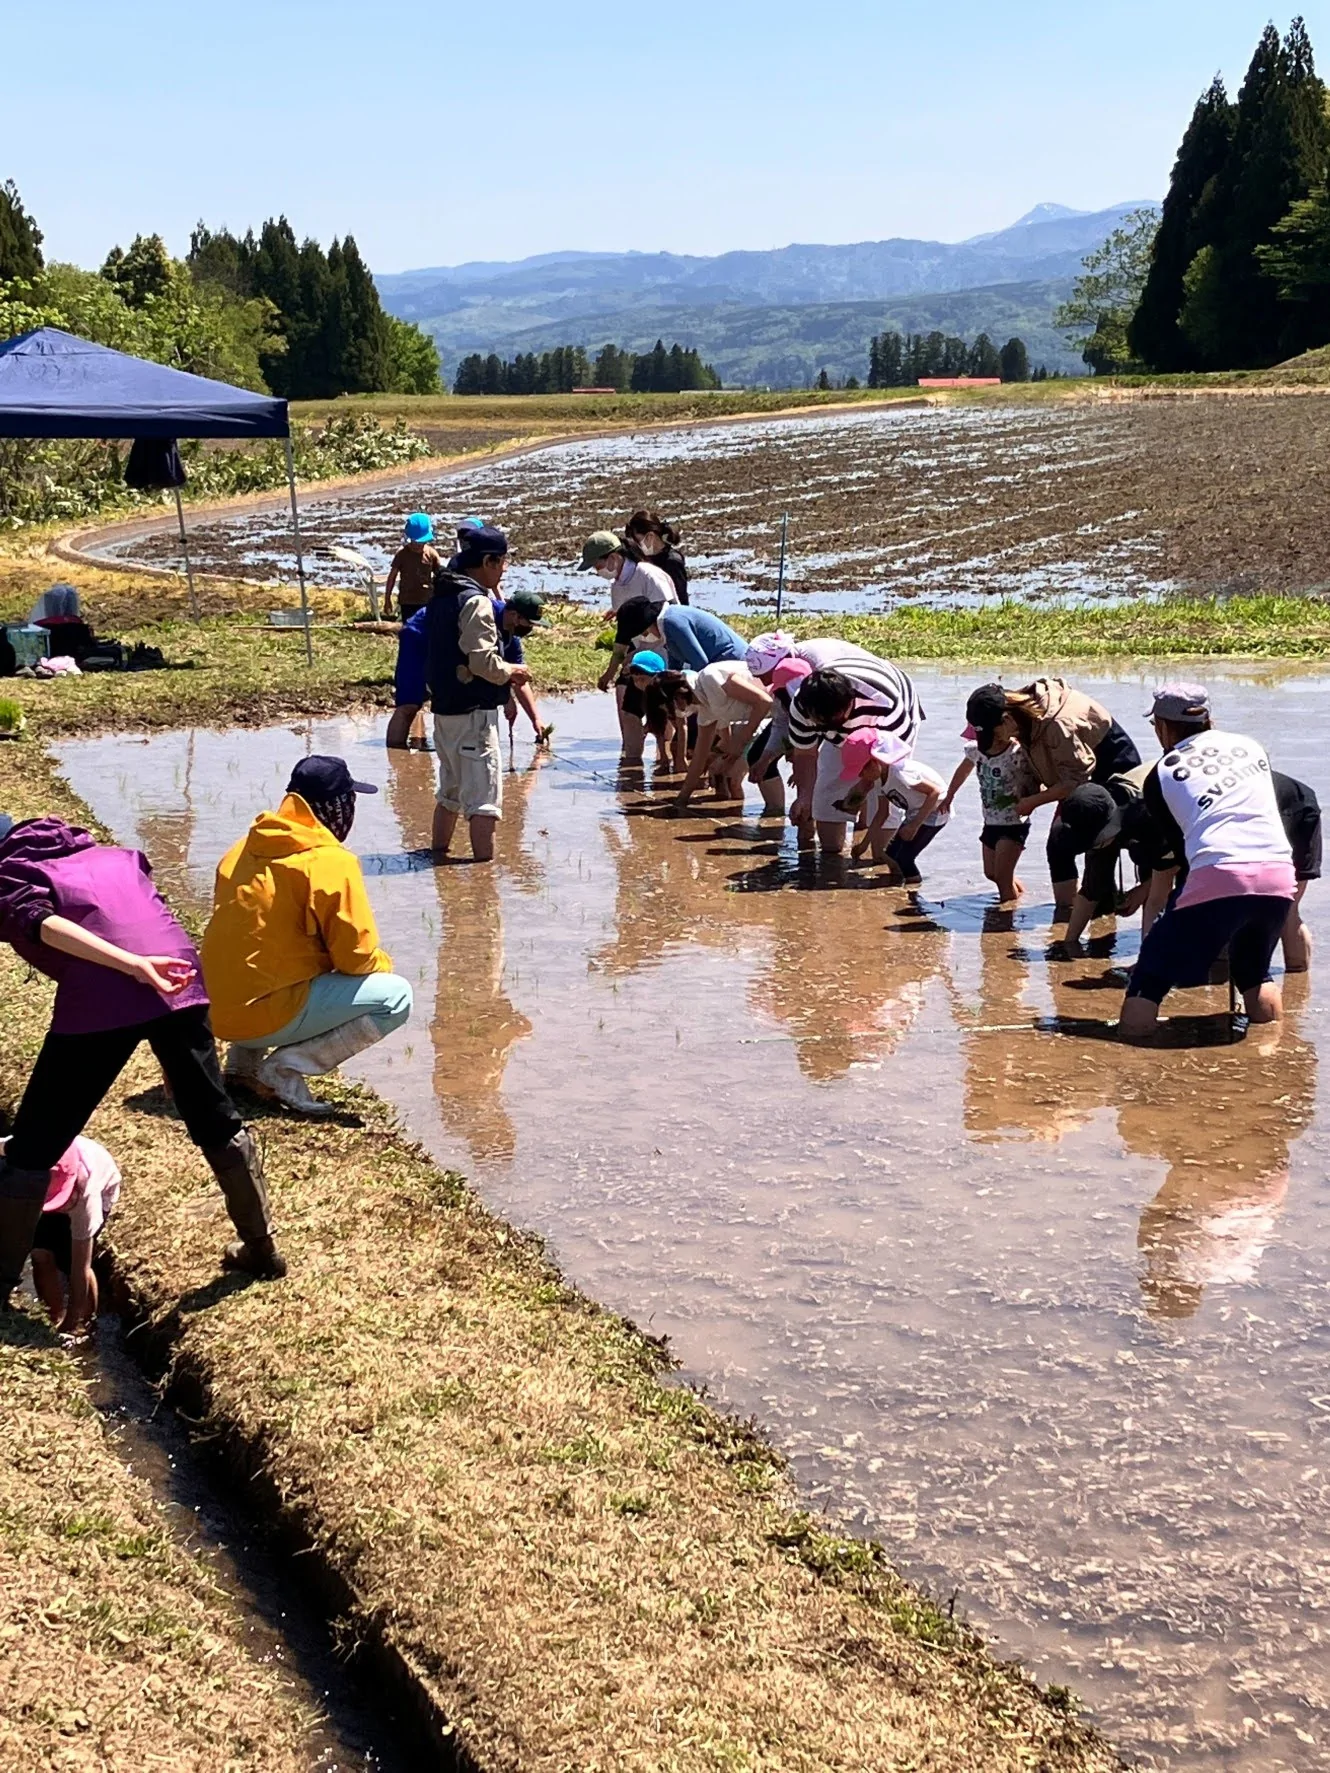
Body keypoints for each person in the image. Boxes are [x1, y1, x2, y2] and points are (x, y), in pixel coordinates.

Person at [0, 814, 284, 1300]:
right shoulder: (116, 856)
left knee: (32, 1147)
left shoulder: (11, 872)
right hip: (179, 978)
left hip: (112, 988)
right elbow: (157, 924)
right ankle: (262, 1248)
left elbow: (45, 925)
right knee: (215, 1119)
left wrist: (132, 967)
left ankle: (1, 1280)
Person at [202, 757, 414, 1116]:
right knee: (395, 997)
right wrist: (384, 964)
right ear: (339, 806)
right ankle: (284, 1069)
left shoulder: (241, 849)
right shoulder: (330, 861)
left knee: (264, 958)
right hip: (264, 1015)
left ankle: (242, 1067)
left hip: (214, 1012)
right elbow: (355, 958)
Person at [1118, 684, 1296, 1041]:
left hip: (1219, 870)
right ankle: (1270, 1057)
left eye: (1156, 726)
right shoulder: (1250, 746)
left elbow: (1182, 850)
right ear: (1208, 719)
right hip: (1278, 874)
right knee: (1255, 971)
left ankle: (1131, 1061)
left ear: (1164, 728)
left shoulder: (1162, 772)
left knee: (1150, 974)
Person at [964, 679, 1140, 916]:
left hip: (1114, 774)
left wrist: (1032, 802)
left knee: (1087, 848)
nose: (995, 744)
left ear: (1006, 720)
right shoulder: (1023, 717)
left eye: (994, 737)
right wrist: (1027, 789)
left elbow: (1075, 782)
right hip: (1076, 777)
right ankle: (1068, 913)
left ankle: (1083, 918)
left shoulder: (1057, 724)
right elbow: (1038, 758)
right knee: (1058, 845)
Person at [425, 524, 532, 860]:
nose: (503, 570)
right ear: (488, 561)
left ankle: (438, 855)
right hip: (474, 713)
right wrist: (512, 671)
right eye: (501, 563)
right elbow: (483, 662)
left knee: (450, 792)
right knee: (484, 800)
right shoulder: (477, 602)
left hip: (444, 710)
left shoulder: (443, 593)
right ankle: (483, 876)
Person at [785, 654, 923, 854]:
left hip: (887, 732)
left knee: (887, 797)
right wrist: (804, 797)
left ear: (850, 701)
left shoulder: (885, 704)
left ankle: (881, 859)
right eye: (822, 722)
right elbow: (805, 754)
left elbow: (887, 766)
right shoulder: (802, 706)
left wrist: (860, 792)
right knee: (826, 795)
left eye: (836, 719)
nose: (831, 726)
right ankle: (833, 856)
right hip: (843, 722)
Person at [580, 531, 679, 760]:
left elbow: (669, 616)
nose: (598, 571)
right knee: (628, 707)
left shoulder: (649, 575)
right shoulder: (617, 588)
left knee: (663, 712)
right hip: (638, 656)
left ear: (613, 557)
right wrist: (619, 665)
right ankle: (631, 763)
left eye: (598, 565)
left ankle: (664, 761)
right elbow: (625, 634)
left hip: (663, 653)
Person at [634, 654, 774, 809]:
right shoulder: (705, 710)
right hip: (771, 718)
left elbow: (764, 701)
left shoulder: (711, 678)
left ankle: (770, 817)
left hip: (783, 709)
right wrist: (681, 800)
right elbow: (698, 761)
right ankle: (735, 815)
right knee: (723, 776)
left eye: (668, 710)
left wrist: (738, 743)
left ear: (677, 698)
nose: (671, 716)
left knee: (732, 778)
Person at [25, 1136, 121, 1338]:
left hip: (99, 1188)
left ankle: (84, 1326)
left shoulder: (87, 1198)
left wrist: (71, 1322)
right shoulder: (25, 1158)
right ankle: (52, 1316)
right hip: (48, 1183)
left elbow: (80, 1267)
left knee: (70, 1261)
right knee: (40, 1253)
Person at [940, 721, 1043, 904]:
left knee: (1003, 877)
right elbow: (963, 771)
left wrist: (1028, 800)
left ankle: (1007, 922)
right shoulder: (976, 750)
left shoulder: (1016, 752)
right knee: (991, 873)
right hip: (990, 821)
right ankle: (1019, 896)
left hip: (1014, 822)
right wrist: (950, 795)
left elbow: (1038, 781)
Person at [835, 732, 949, 881]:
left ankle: (913, 893)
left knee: (904, 859)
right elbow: (882, 813)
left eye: (862, 771)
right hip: (914, 813)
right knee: (891, 854)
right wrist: (864, 845)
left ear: (875, 762)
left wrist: (914, 826)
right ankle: (898, 885)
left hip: (934, 812)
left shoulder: (900, 773)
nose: (861, 776)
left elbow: (935, 792)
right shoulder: (879, 780)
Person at [491, 587, 552, 746]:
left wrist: (535, 719)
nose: (530, 628)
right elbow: (480, 664)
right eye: (529, 623)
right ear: (514, 615)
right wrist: (505, 697)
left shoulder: (512, 635)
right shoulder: (487, 618)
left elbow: (520, 680)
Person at [622, 509, 689, 603]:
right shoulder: (641, 559)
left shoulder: (672, 562)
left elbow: (681, 601)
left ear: (650, 537)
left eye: (637, 541)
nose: (636, 547)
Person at [384, 513, 441, 620]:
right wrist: (387, 598)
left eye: (422, 542)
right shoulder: (402, 554)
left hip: (426, 600)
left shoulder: (431, 554)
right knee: (410, 629)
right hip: (407, 601)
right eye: (416, 542)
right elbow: (392, 577)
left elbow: (441, 576)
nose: (418, 546)